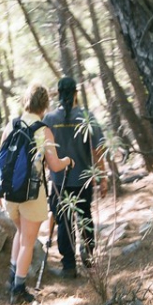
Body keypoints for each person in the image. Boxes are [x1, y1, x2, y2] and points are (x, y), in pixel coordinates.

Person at [0, 83, 73, 305]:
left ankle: (12, 277)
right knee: (29, 241)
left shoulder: (11, 125)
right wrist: (68, 160)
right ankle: (18, 289)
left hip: (10, 193)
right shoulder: (42, 130)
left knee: (21, 232)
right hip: (31, 193)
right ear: (45, 104)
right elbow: (55, 165)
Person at [43, 76, 108, 278]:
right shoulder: (86, 116)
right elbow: (99, 148)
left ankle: (69, 265)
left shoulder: (50, 120)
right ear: (76, 94)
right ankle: (88, 256)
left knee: (64, 221)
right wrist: (103, 177)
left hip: (59, 182)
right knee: (85, 215)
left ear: (58, 94)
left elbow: (42, 151)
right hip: (83, 179)